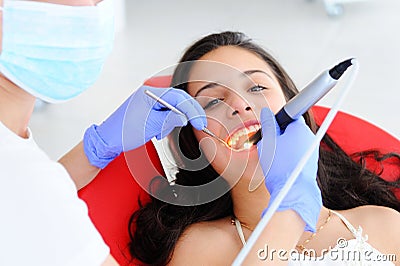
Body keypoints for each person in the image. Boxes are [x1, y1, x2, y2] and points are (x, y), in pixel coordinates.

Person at [129, 31, 400, 265]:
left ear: (297, 106)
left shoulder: (384, 225)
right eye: (212, 102)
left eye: (257, 87)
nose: (239, 104)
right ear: (196, 147)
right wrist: (290, 205)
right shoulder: (200, 249)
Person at [0, 0, 207, 265]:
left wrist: (95, 150)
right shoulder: (22, 178)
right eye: (213, 100)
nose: (94, 7)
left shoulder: (21, 167)